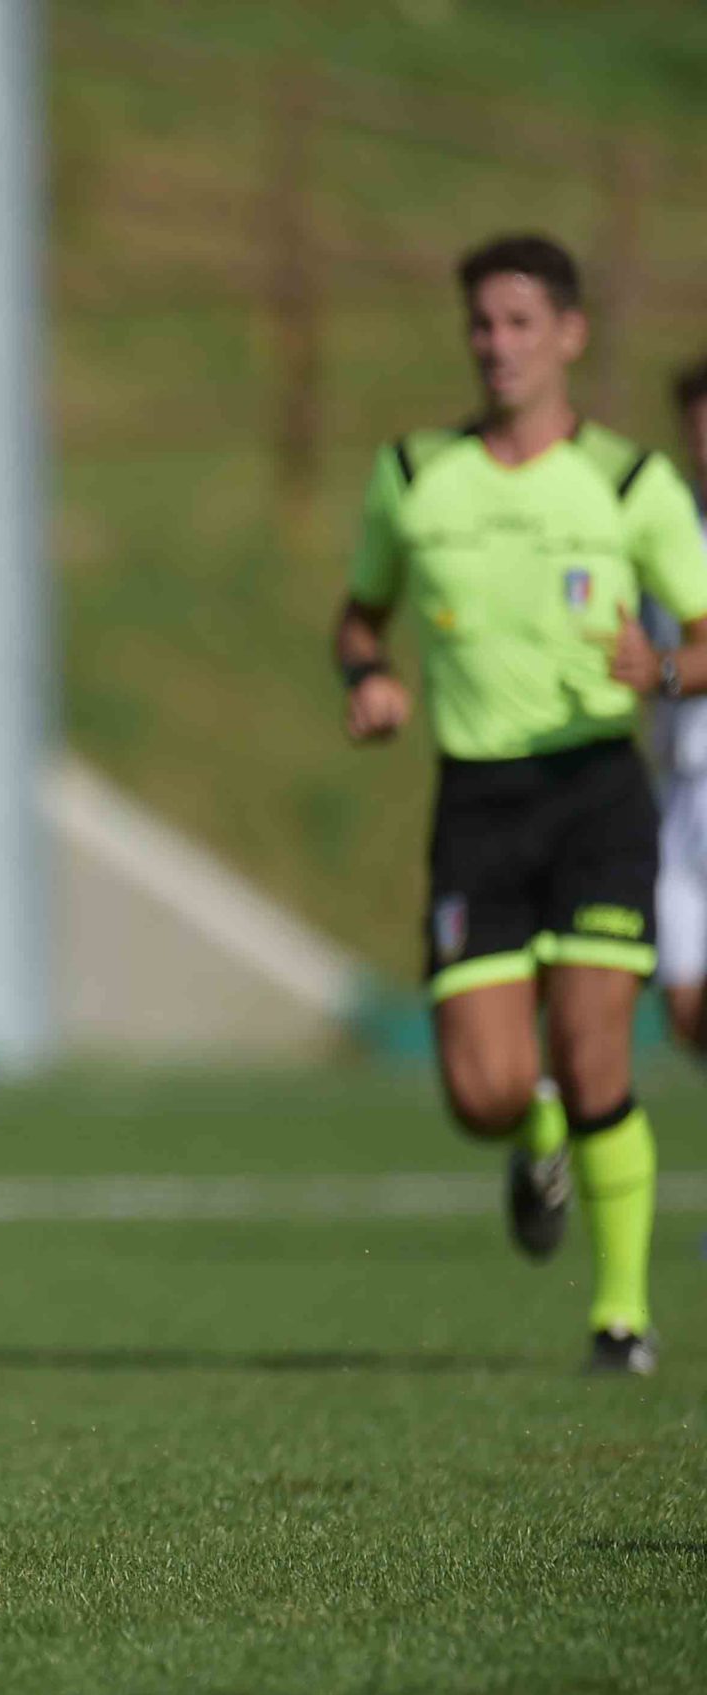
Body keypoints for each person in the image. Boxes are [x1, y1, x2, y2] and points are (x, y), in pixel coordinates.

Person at [333, 233, 707, 1376]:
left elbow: (704, 632)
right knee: (483, 1092)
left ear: (568, 336)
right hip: (477, 808)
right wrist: (368, 676)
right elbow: (359, 615)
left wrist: (667, 669)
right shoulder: (413, 476)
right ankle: (531, 1129)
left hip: (595, 794)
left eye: (519, 323)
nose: (496, 345)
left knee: (597, 1058)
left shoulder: (630, 484)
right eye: (480, 325)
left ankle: (621, 1317)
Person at [653, 359, 707, 1063]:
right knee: (685, 1011)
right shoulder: (665, 529)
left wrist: (665, 671)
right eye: (696, 427)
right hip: (673, 786)